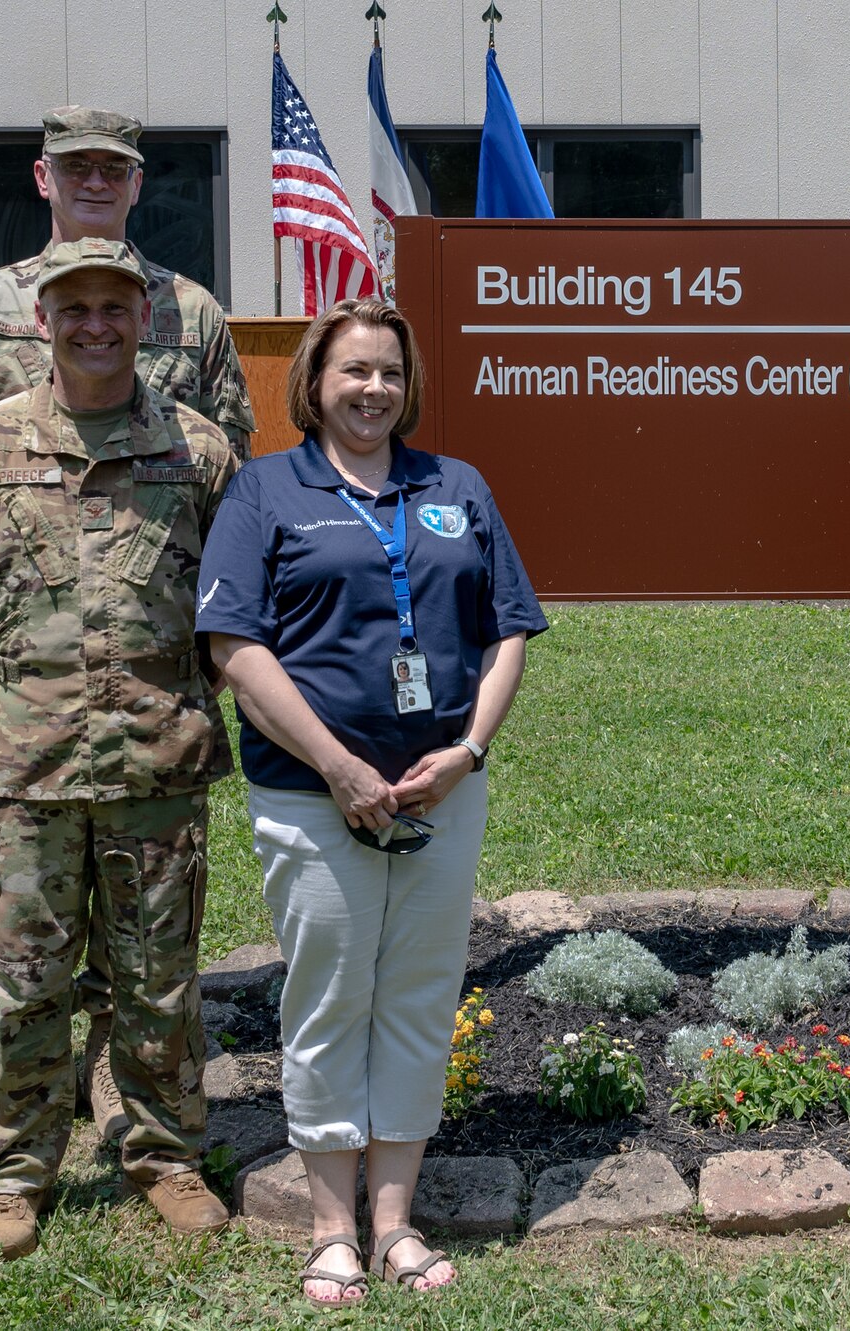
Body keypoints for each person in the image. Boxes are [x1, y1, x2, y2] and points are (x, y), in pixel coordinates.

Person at [0, 105, 256, 1144]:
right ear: (44, 176)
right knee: (23, 969)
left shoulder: (191, 322)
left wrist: (204, 661)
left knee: (156, 966)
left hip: (153, 709)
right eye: (77, 168)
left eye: (114, 168)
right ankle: (17, 1159)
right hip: (34, 702)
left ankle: (153, 1135)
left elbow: (229, 524)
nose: (97, 323)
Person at [197, 300, 546, 1305]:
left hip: (439, 791)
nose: (372, 390)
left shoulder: (456, 486)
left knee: (420, 996)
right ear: (314, 382)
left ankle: (395, 1220)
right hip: (312, 795)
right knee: (328, 998)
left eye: (389, 372)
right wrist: (339, 767)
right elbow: (234, 647)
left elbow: (507, 628)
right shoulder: (266, 489)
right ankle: (328, 1227)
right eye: (352, 371)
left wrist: (467, 750)